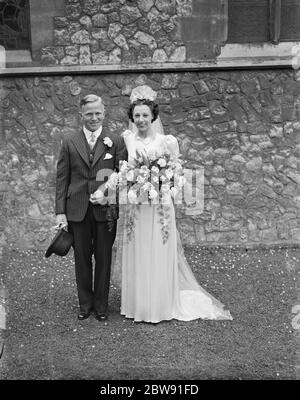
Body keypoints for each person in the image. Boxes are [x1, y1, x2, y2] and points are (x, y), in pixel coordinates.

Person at [55, 94, 128, 322]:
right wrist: (60, 212)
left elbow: (123, 176)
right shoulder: (69, 141)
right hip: (77, 209)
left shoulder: (115, 141)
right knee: (82, 260)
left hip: (105, 210)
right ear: (81, 115)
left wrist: (105, 193)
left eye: (98, 113)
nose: (94, 118)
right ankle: (85, 305)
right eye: (89, 114)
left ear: (104, 113)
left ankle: (101, 307)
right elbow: (62, 179)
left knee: (104, 258)